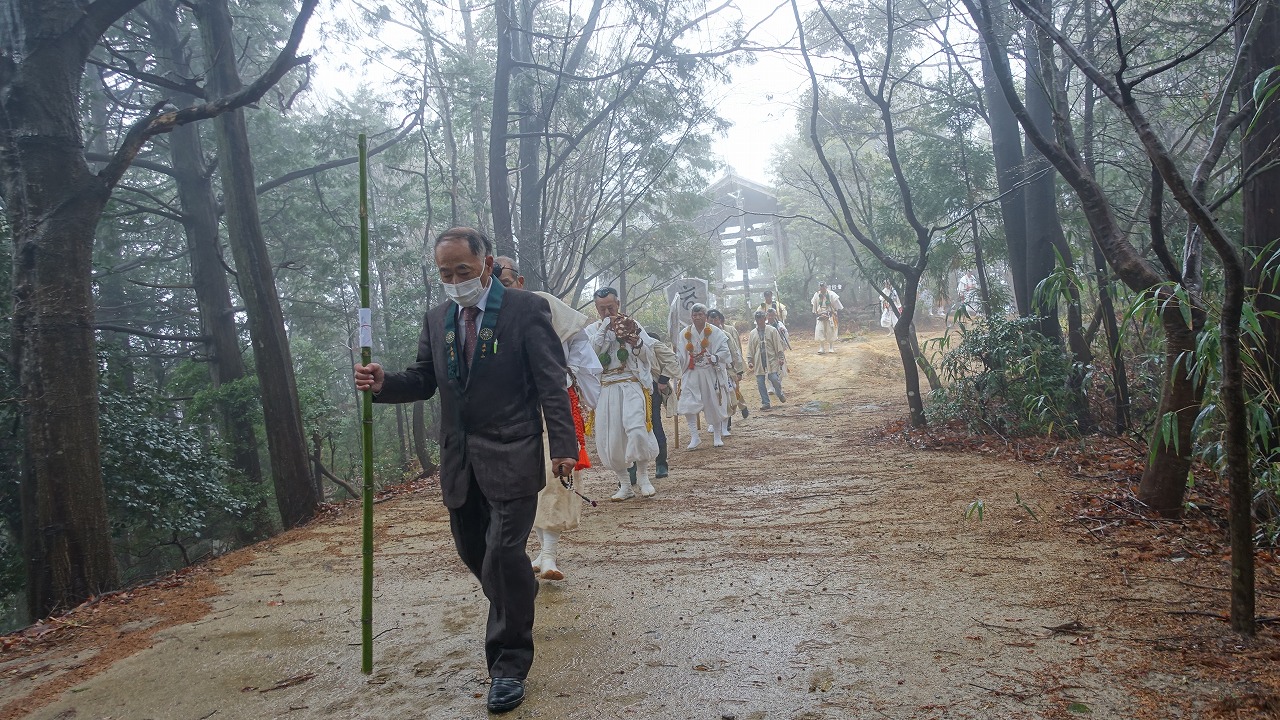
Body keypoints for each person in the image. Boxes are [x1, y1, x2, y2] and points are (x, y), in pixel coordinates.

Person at [354, 227, 576, 714]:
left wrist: (564, 446)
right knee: (475, 552)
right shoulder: (437, 319)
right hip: (460, 459)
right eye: (445, 273)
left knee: (501, 554)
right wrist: (383, 382)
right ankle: (519, 590)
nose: (455, 281)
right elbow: (424, 379)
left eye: (463, 271)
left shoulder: (524, 310)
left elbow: (551, 383)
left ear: (487, 264)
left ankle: (508, 665)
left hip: (513, 453)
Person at [493, 257, 600, 582]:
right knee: (522, 480)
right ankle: (537, 551)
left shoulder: (545, 305)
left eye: (507, 283)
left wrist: (579, 388)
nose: (502, 291)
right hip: (509, 412)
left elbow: (580, 348)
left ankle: (549, 554)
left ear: (520, 282)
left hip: (552, 406)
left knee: (555, 477)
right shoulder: (485, 317)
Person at [586, 287, 660, 500]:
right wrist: (604, 330)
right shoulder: (592, 330)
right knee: (612, 439)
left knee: (637, 429)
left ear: (618, 303)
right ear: (596, 308)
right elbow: (589, 355)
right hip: (606, 388)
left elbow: (648, 355)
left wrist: (634, 340)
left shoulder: (633, 324)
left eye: (611, 307)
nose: (607, 312)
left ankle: (644, 477)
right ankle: (625, 484)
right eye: (602, 309)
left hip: (630, 384)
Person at [676, 303, 731, 448]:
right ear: (691, 317)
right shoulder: (684, 333)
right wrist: (678, 360)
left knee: (714, 403)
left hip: (710, 372)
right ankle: (694, 437)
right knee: (688, 403)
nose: (697, 318)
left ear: (705, 316)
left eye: (700, 315)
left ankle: (717, 435)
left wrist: (715, 358)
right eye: (695, 315)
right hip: (691, 372)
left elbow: (725, 351)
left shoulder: (716, 332)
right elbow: (680, 355)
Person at [630, 329, 678, 483]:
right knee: (630, 428)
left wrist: (663, 380)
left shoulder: (651, 342)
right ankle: (631, 469)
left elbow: (672, 360)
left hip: (650, 390)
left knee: (654, 423)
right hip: (628, 391)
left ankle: (661, 463)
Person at [707, 308, 747, 436]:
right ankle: (714, 423)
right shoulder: (702, 335)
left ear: (720, 320)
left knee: (728, 397)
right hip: (708, 372)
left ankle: (726, 423)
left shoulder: (726, 334)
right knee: (710, 399)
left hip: (726, 371)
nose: (713, 321)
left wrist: (739, 371)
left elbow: (735, 352)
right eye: (711, 319)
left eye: (715, 319)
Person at [747, 309, 787, 410]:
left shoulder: (772, 330)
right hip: (758, 360)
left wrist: (781, 357)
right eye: (758, 319)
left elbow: (778, 344)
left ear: (765, 319)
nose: (760, 321)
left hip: (771, 359)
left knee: (773, 378)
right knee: (760, 381)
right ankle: (765, 402)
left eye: (761, 319)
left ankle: (779, 393)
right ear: (756, 320)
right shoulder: (752, 333)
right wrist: (750, 360)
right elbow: (750, 347)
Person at [811, 281, 844, 354]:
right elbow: (815, 305)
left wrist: (833, 313)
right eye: (820, 287)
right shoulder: (816, 295)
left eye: (823, 287)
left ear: (826, 287)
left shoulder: (831, 294)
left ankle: (831, 347)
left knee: (831, 331)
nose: (822, 289)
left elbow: (837, 306)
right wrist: (817, 313)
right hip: (820, 315)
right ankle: (821, 347)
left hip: (830, 315)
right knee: (820, 330)